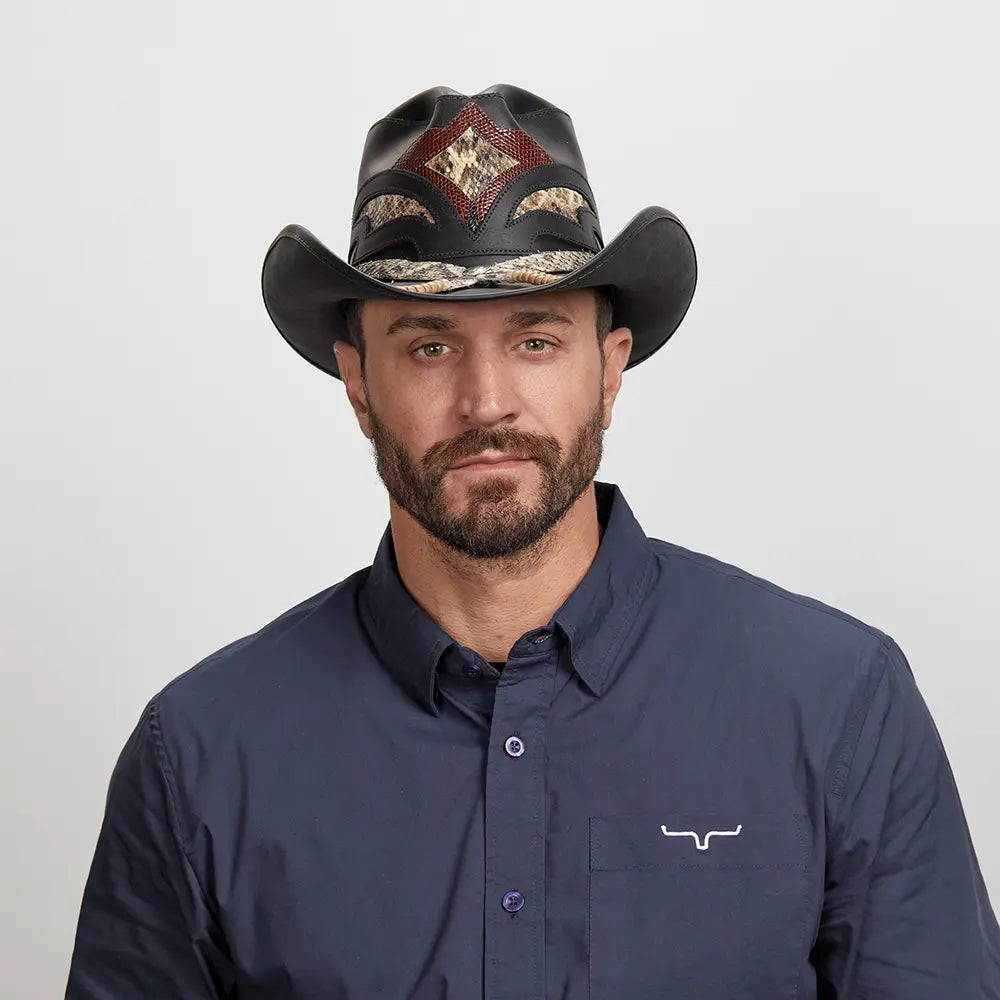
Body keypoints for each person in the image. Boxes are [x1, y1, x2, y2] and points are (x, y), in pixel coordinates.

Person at [64, 84, 1000, 999]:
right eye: (430, 346)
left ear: (610, 370)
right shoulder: (202, 754)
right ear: (358, 385)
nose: (486, 402)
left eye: (536, 341)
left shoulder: (838, 706)